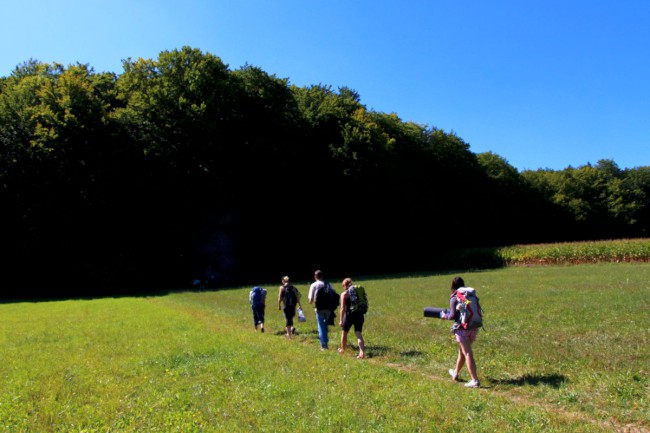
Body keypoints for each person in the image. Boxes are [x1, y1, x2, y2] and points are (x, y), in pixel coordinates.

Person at [440, 276, 481, 388]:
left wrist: (445, 316)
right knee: (462, 352)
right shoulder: (470, 295)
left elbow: (452, 316)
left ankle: (475, 380)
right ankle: (455, 373)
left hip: (462, 329)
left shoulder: (454, 297)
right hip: (473, 326)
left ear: (452, 286)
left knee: (467, 353)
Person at [338, 278, 366, 359]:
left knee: (344, 333)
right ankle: (362, 353)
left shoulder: (344, 294)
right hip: (360, 314)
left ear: (344, 285)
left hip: (349, 315)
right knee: (358, 334)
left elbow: (342, 308)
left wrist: (340, 320)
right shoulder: (357, 292)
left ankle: (343, 350)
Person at [308, 270, 334, 350]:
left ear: (315, 277)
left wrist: (313, 304)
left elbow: (311, 300)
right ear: (322, 276)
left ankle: (324, 345)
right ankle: (325, 341)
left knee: (321, 326)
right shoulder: (328, 284)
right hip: (328, 308)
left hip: (319, 308)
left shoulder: (314, 285)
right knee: (325, 325)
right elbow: (333, 295)